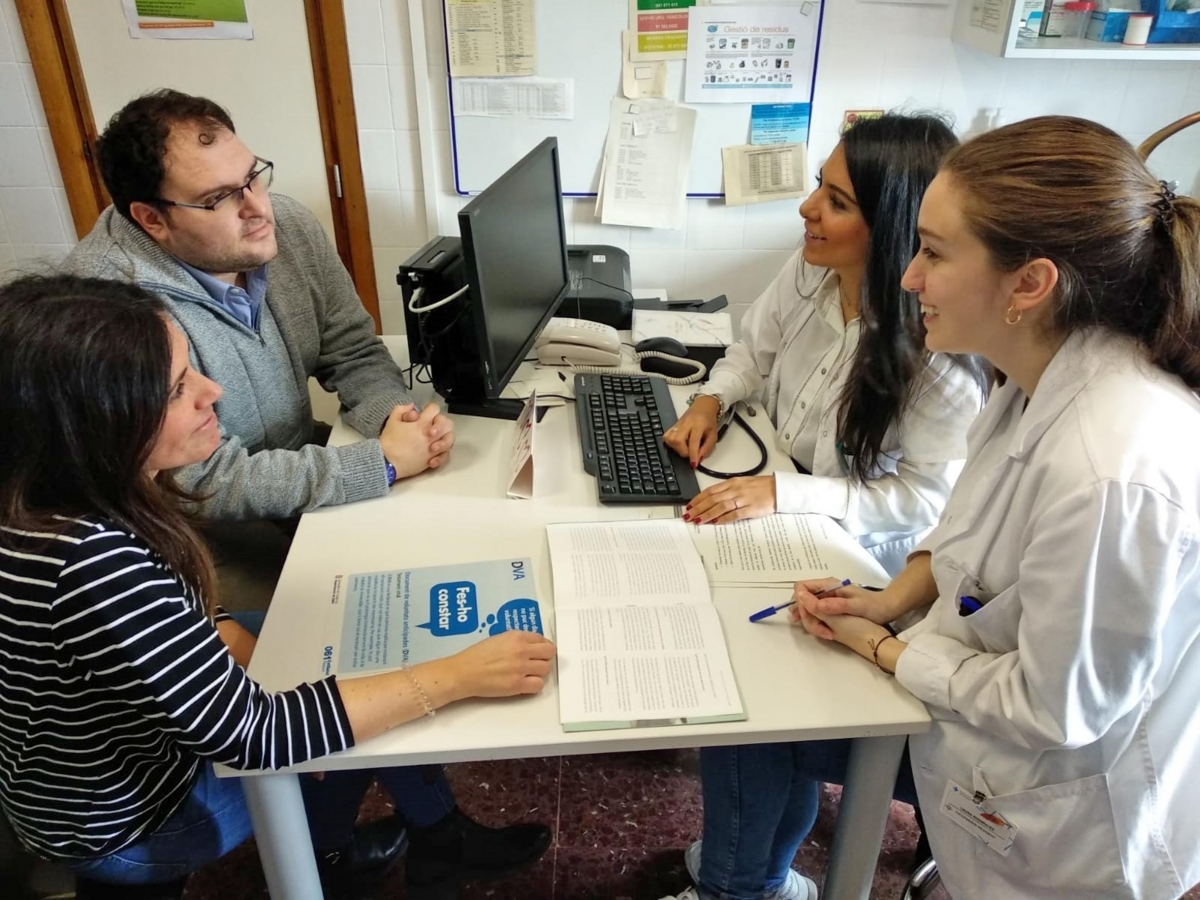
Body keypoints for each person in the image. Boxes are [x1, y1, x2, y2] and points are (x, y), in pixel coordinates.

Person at [669, 115, 1200, 900]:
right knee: (762, 710)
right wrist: (886, 600)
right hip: (982, 729)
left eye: (934, 253)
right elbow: (960, 530)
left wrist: (884, 648)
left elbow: (1053, 712)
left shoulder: (1109, 471)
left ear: (1030, 284)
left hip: (1062, 812)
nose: (909, 277)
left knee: (759, 721)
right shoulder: (1031, 381)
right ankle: (751, 879)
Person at [0, 275, 557, 899]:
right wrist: (458, 676)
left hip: (82, 772)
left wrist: (276, 664)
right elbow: (259, 736)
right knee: (386, 705)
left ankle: (417, 835)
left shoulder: (54, 495)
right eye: (180, 389)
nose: (214, 392)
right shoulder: (91, 560)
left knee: (361, 669)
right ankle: (325, 860)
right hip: (133, 821)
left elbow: (195, 622)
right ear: (95, 422)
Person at [61, 89, 451, 523]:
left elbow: (352, 349)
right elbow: (190, 480)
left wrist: (399, 422)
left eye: (253, 177)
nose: (258, 208)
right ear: (152, 219)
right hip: (198, 531)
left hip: (293, 473)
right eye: (218, 198)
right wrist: (378, 463)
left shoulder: (288, 226)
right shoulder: (104, 303)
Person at [664, 113, 987, 577]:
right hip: (774, 490)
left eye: (836, 202)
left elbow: (923, 500)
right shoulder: (811, 266)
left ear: (890, 225)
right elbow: (753, 351)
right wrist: (710, 402)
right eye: (820, 185)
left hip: (855, 555)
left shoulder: (939, 356)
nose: (806, 208)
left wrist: (784, 493)